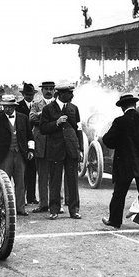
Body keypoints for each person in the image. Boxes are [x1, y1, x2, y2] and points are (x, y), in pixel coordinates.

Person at [102, 93, 139, 234]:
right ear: (134, 105)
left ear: (122, 108)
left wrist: (120, 142)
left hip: (125, 164)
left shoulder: (119, 121)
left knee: (119, 193)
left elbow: (107, 140)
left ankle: (115, 221)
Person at [40, 83, 83, 220]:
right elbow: (43, 128)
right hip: (55, 150)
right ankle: (54, 210)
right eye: (69, 93)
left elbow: (79, 130)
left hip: (71, 149)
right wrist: (56, 122)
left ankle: (74, 210)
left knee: (73, 181)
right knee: (55, 181)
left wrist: (80, 149)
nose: (72, 95)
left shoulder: (74, 108)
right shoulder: (48, 109)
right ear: (60, 94)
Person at [0, 95, 33, 216]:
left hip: (20, 154)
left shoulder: (23, 118)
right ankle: (3, 208)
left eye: (9, 107)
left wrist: (31, 150)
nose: (7, 109)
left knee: (20, 182)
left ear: (14, 106)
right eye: (5, 107)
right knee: (5, 183)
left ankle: (20, 208)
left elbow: (30, 136)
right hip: (5, 155)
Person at [29, 81, 57, 213]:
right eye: (46, 89)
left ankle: (56, 204)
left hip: (54, 143)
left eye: (51, 89)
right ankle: (43, 204)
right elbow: (32, 119)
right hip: (40, 143)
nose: (48, 91)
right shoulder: (36, 104)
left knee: (55, 176)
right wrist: (44, 114)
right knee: (42, 176)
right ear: (42, 90)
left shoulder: (57, 104)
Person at [16, 82, 39, 206]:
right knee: (22, 171)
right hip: (22, 141)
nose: (29, 96)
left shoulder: (36, 106)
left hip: (34, 140)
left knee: (32, 170)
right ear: (23, 94)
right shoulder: (18, 106)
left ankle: (31, 197)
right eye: (27, 94)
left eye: (31, 94)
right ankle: (22, 198)